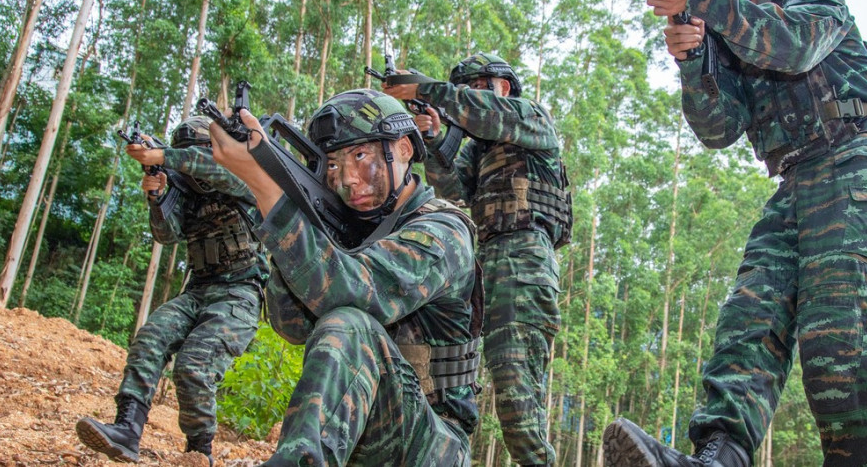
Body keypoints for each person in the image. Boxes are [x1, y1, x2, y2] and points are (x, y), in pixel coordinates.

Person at [603, 0, 867, 467]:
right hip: (795, 185)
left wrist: (703, 3)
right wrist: (693, 59)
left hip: (857, 168)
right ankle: (718, 459)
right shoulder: (723, 35)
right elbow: (718, 130)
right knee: (746, 330)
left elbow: (794, 45)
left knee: (834, 346)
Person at [208, 89, 482, 466]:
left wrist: (267, 190)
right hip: (365, 439)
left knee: (349, 322)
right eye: (334, 164)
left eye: (360, 155)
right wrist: (297, 223)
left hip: (434, 445)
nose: (348, 178)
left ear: (403, 149)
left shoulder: (443, 230)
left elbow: (352, 294)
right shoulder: (356, 230)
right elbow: (291, 325)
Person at [384, 53, 572, 467]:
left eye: (474, 86)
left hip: (523, 261)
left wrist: (427, 90)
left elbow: (482, 113)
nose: (465, 97)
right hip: (482, 265)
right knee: (453, 380)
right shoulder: (480, 152)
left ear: (502, 87)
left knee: (516, 394)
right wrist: (433, 139)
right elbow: (451, 193)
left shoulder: (529, 118)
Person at [76, 116, 269, 466]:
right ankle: (127, 429)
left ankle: (199, 453)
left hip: (240, 293)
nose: (191, 165)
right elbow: (166, 235)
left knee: (194, 364)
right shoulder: (186, 194)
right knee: (151, 337)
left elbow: (208, 167)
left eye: (191, 155)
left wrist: (160, 155)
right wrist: (157, 196)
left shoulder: (237, 180)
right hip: (199, 290)